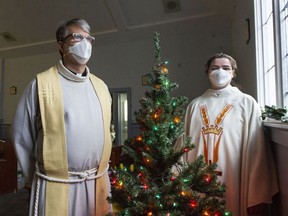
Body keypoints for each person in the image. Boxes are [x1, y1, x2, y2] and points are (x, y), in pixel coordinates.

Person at [12, 18, 112, 216]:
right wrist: (35, 177)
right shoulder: (40, 84)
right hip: (55, 185)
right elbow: (22, 137)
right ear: (61, 46)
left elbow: (106, 131)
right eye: (76, 37)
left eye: (88, 39)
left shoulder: (100, 86)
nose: (84, 43)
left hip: (96, 182)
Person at [177, 53, 278, 215]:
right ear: (207, 72)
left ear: (233, 72)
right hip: (199, 179)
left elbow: (257, 150)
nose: (220, 72)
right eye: (215, 68)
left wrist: (256, 193)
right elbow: (184, 145)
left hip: (234, 177)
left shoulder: (247, 103)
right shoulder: (195, 105)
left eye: (225, 68)